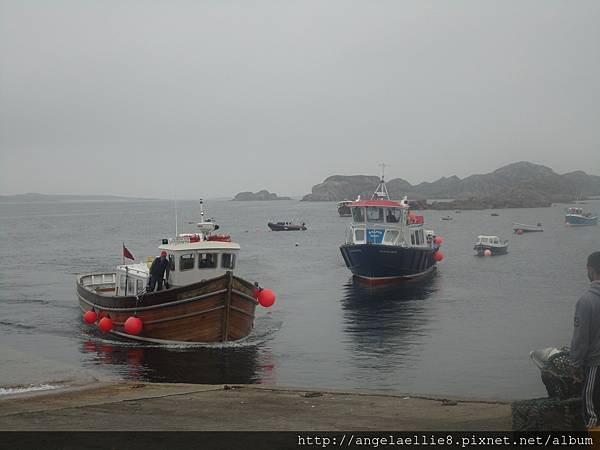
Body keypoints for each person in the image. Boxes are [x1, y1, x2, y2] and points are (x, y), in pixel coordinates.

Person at [570, 251, 600, 429]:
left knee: (592, 414)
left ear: (590, 269)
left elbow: (581, 338)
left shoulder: (586, 301)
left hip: (596, 366)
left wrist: (575, 365)